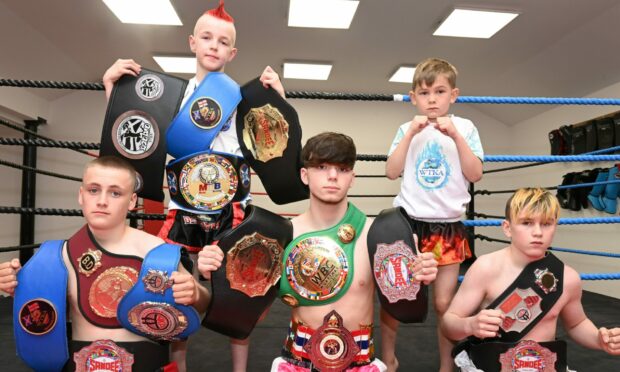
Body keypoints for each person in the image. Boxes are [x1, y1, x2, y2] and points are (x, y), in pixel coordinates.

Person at [101, 2, 285, 371]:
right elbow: (138, 137)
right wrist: (111, 89)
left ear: (232, 53)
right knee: (175, 291)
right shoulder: (171, 97)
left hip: (231, 211)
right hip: (183, 211)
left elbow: (274, 145)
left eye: (222, 41)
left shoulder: (244, 100)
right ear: (192, 43)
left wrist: (278, 99)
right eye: (206, 37)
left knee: (240, 295)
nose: (214, 46)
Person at [198, 132, 439, 371]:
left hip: (360, 362)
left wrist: (416, 278)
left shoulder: (376, 234)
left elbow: (402, 304)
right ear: (305, 175)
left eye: (343, 169)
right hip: (298, 362)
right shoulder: (279, 237)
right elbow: (253, 316)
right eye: (322, 167)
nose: (333, 176)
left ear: (352, 178)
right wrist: (220, 276)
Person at [0, 156, 209, 371]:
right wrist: (18, 288)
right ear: (81, 196)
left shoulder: (156, 252)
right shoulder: (58, 256)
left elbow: (201, 305)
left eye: (115, 192)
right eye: (93, 190)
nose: (102, 201)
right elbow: (42, 314)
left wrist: (195, 293)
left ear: (131, 201)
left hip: (147, 363)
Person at [441, 187, 620, 371]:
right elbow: (449, 324)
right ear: (507, 228)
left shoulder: (567, 278)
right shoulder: (485, 268)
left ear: (555, 227)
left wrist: (599, 339)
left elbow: (576, 324)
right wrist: (470, 325)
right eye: (526, 223)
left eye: (546, 223)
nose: (537, 232)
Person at [383, 57, 484, 372]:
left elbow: (476, 173)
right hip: (408, 224)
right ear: (413, 97)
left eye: (439, 92)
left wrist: (454, 135)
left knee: (444, 303)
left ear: (453, 95)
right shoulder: (405, 128)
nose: (432, 99)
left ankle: (446, 365)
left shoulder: (465, 127)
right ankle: (388, 359)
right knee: (395, 297)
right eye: (424, 93)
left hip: (448, 228)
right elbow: (391, 171)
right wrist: (411, 134)